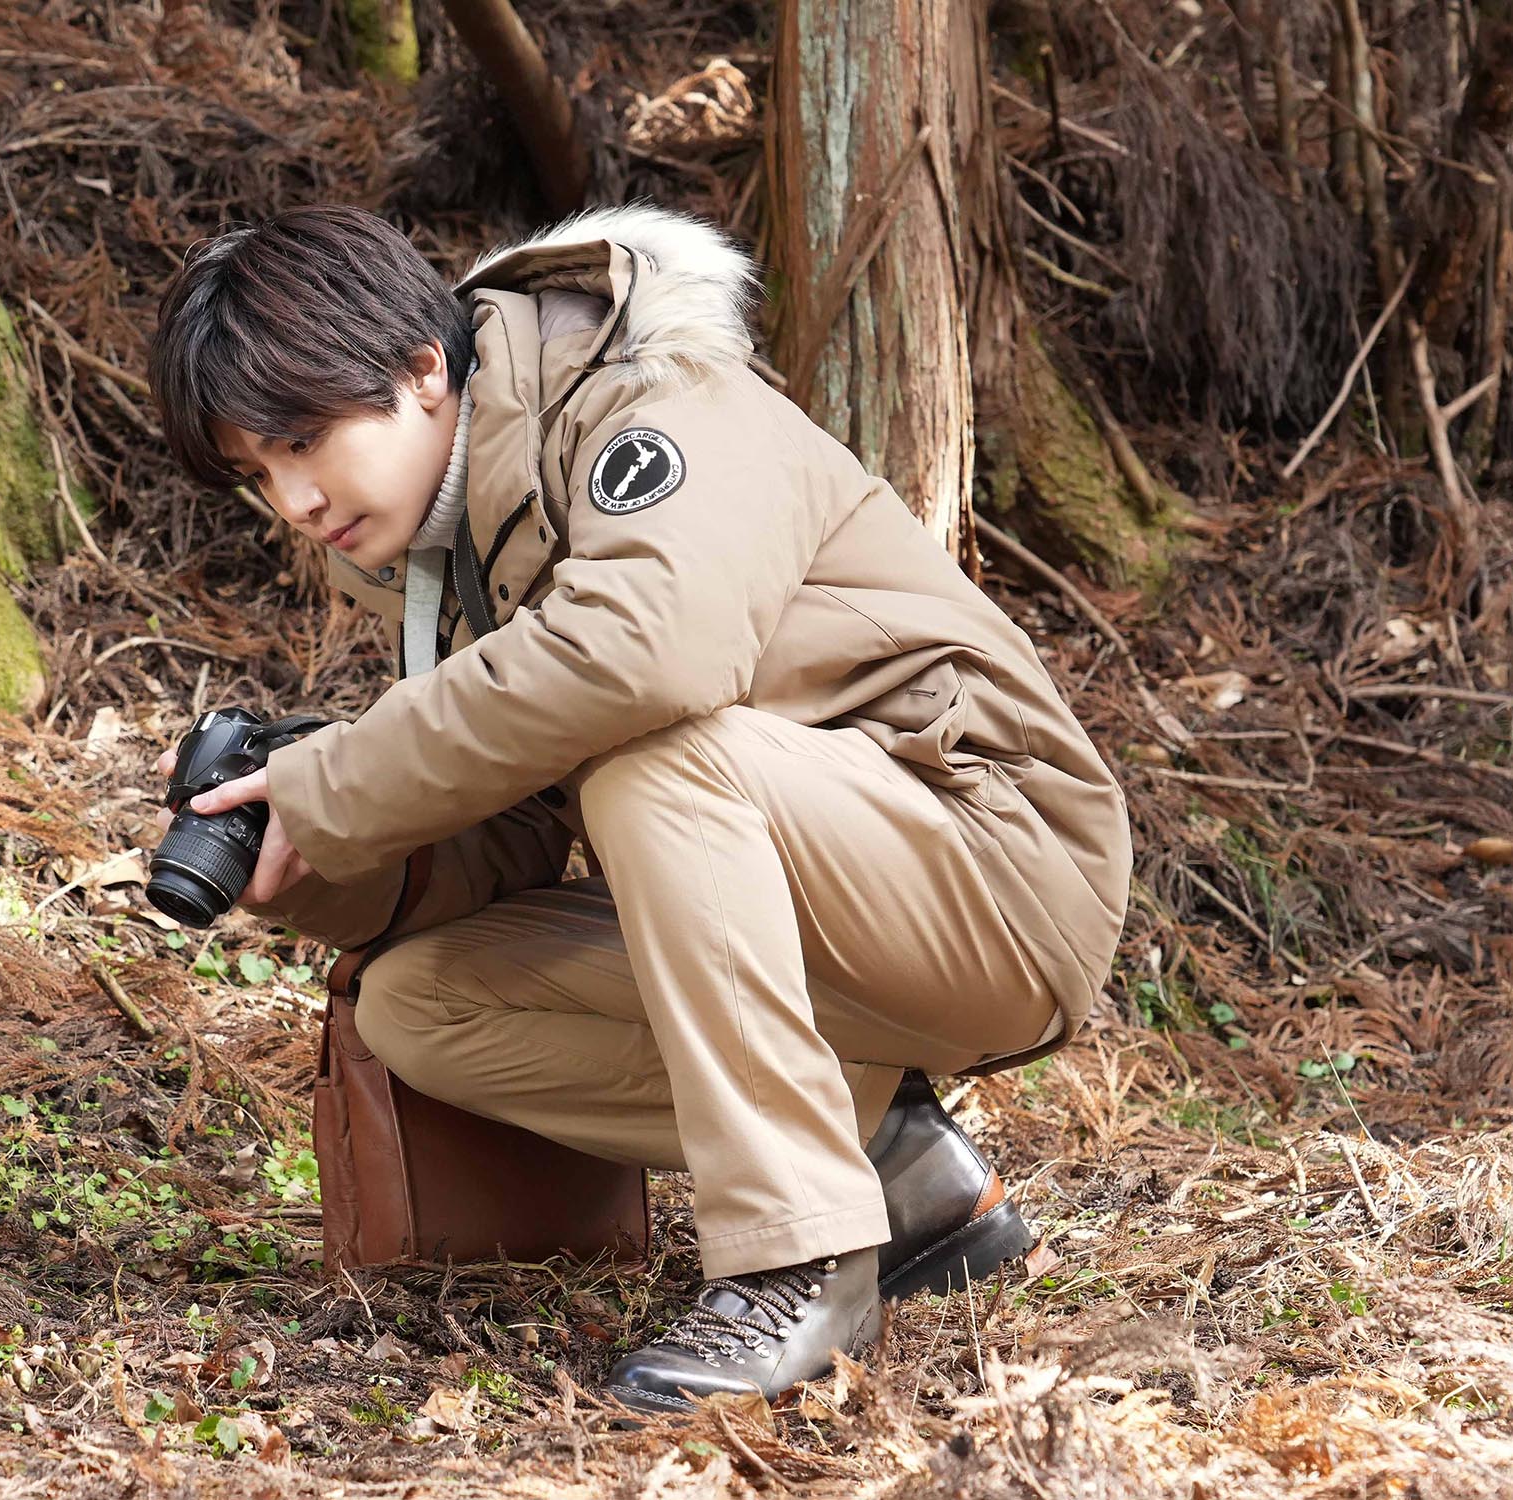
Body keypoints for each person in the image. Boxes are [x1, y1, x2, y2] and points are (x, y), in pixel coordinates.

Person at [146, 203, 1131, 1415]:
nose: (295, 498)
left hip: (997, 870)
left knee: (651, 755)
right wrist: (314, 856)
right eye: (259, 472)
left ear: (422, 368)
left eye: (304, 439)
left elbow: (651, 656)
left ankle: (799, 1258)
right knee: (422, 1004)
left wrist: (345, 779)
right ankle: (894, 1163)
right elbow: (515, 829)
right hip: (824, 903)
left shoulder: (652, 395)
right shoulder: (455, 552)